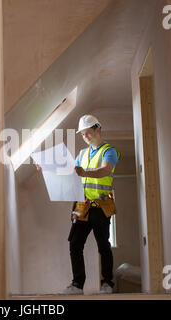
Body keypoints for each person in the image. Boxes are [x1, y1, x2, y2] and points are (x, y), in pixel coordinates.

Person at [35, 114, 119, 295]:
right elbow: (71, 173)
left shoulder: (109, 151)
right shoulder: (82, 154)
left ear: (98, 129)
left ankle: (107, 283)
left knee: (103, 244)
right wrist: (46, 167)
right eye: (83, 135)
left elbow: (105, 169)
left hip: (101, 205)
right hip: (83, 205)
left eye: (89, 133)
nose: (86, 137)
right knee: (75, 244)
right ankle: (77, 285)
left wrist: (84, 171)